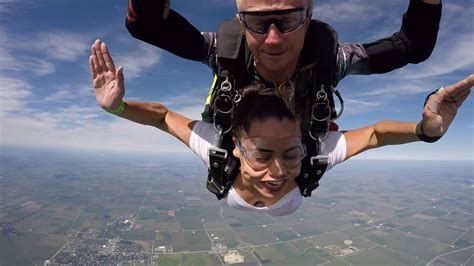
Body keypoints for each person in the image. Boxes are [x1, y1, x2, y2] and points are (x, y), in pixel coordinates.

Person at [89, 40, 472, 216]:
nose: (277, 172)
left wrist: (428, 131)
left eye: (290, 153)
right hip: (253, 197)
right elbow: (372, 135)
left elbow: (375, 135)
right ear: (238, 145)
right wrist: (116, 104)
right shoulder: (223, 147)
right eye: (262, 154)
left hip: (271, 201)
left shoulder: (304, 152)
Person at [125, 0, 443, 198]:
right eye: (258, 23)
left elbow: (411, 45)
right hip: (244, 156)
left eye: (288, 21)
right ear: (240, 22)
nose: (273, 38)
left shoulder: (328, 58)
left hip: (294, 161)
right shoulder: (226, 51)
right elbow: (148, 24)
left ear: (309, 16)